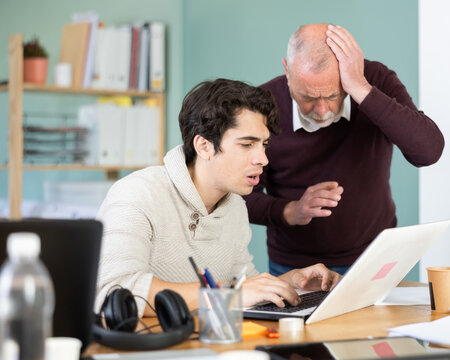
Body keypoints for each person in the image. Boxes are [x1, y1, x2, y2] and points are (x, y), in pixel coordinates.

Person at [94, 79, 341, 318]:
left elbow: (242, 286)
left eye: (264, 145)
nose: (263, 160)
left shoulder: (234, 206)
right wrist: (232, 293)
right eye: (247, 145)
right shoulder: (137, 193)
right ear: (203, 146)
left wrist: (290, 283)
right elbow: (115, 292)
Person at [244, 23, 445, 276]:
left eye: (332, 96)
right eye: (307, 97)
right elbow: (238, 197)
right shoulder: (262, 104)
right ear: (288, 71)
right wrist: (291, 210)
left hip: (374, 257)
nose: (321, 111)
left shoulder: (374, 80)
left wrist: (361, 88)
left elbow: (428, 151)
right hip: (295, 266)